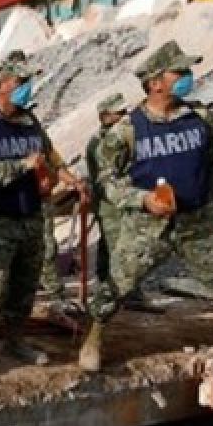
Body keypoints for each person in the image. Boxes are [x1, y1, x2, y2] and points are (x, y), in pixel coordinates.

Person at [78, 40, 213, 371]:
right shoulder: (126, 131)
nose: (188, 76)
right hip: (148, 226)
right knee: (118, 284)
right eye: (179, 72)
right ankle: (93, 339)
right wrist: (142, 199)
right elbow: (106, 182)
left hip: (197, 219)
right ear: (155, 82)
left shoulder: (203, 120)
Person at [0, 53, 86, 377]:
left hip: (30, 213)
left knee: (26, 284)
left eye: (27, 83)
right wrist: (19, 167)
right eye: (19, 83)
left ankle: (15, 339)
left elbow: (48, 154)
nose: (26, 89)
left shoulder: (30, 121)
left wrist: (67, 175)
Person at [87, 92, 129, 285]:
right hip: (109, 201)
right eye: (118, 113)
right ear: (104, 116)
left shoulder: (117, 137)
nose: (123, 116)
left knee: (108, 243)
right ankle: (126, 291)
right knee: (119, 246)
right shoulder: (100, 142)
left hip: (114, 199)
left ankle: (105, 282)